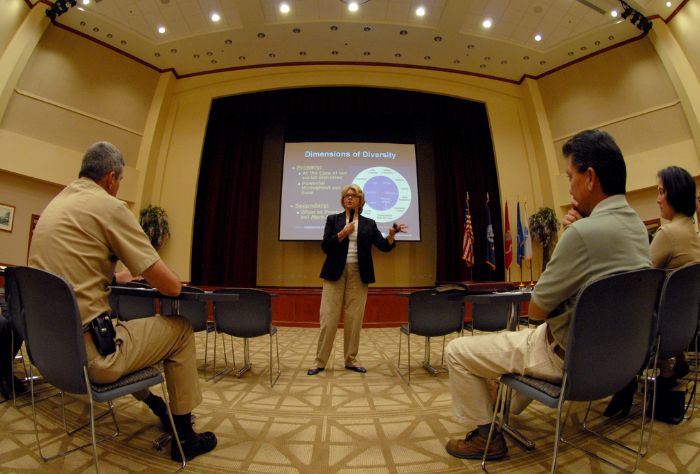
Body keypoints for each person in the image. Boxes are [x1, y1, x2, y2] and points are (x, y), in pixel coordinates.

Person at [444, 129, 651, 461]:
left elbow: (538, 309)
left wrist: (572, 233)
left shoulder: (581, 233)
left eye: (570, 176)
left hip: (568, 357)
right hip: (616, 358)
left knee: (458, 350)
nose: (569, 186)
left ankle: (487, 438)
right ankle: (499, 404)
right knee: (519, 348)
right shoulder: (640, 229)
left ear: (590, 177)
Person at [28, 141, 216, 462]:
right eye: (121, 182)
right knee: (181, 330)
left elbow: (66, 275)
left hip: (51, 353)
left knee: (126, 329)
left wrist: (115, 279)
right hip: (93, 359)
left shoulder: (56, 205)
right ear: (112, 178)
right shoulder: (109, 206)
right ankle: (185, 438)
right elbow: (169, 286)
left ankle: (157, 405)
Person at [604, 165, 700, 417]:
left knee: (613, 311)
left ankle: (622, 379)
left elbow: (639, 279)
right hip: (682, 332)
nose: (657, 199)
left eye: (661, 191)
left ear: (674, 193)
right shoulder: (692, 233)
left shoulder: (668, 233)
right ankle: (664, 371)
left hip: (658, 333)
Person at [307, 184, 406, 375]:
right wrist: (343, 232)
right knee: (329, 318)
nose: (349, 198)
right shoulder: (333, 219)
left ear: (360, 201)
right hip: (334, 272)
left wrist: (392, 236)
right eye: (346, 196)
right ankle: (320, 362)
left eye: (353, 196)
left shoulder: (369, 223)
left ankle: (350, 360)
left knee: (354, 319)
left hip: (359, 273)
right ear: (343, 200)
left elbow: (383, 246)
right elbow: (326, 246)